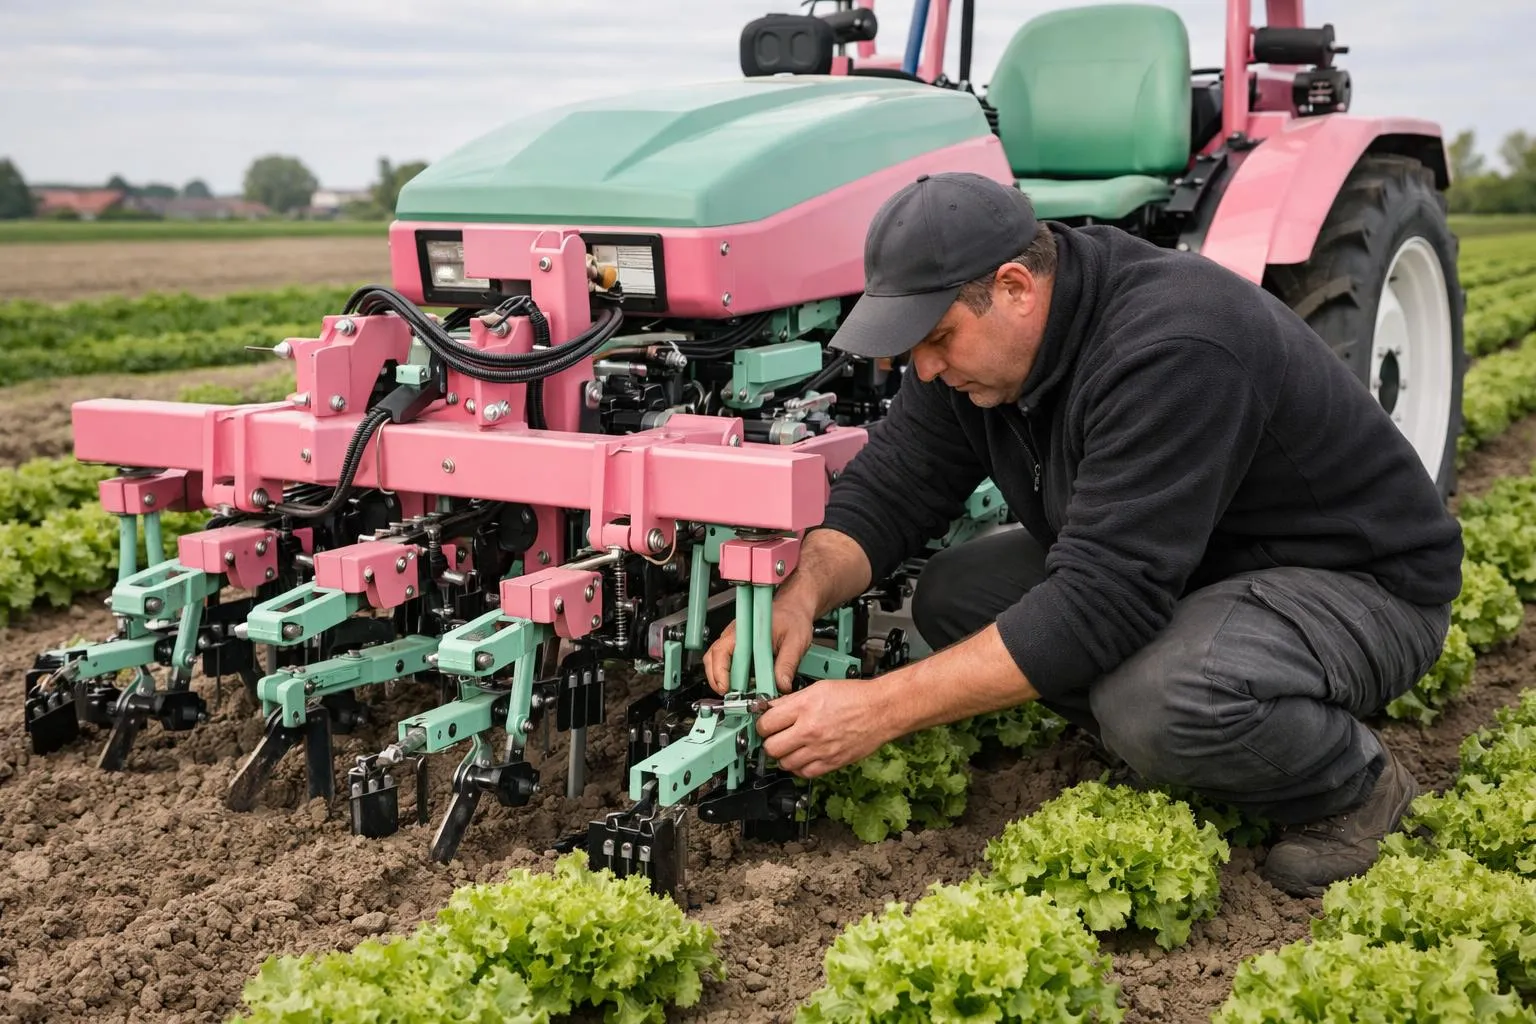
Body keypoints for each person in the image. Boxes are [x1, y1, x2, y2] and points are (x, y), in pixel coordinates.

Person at [701, 171, 1462, 897]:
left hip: (1358, 587)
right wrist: (801, 595)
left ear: (1015, 288)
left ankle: (1353, 788)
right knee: (957, 595)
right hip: (1199, 565)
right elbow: (892, 491)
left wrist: (876, 709)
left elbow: (1102, 603)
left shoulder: (1174, 344)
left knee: (1157, 700)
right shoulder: (977, 354)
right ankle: (1182, 729)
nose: (923, 369)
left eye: (935, 338)